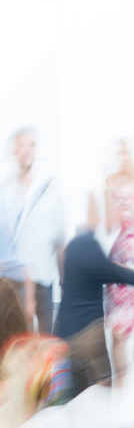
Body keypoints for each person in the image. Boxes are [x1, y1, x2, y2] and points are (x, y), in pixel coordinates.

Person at [0, 127, 63, 334]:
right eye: (22, 145)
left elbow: (59, 241)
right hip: (13, 284)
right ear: (14, 151)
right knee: (17, 346)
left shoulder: (49, 188)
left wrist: (65, 283)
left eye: (32, 145)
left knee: (45, 344)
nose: (27, 150)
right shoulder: (5, 191)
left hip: (44, 279)